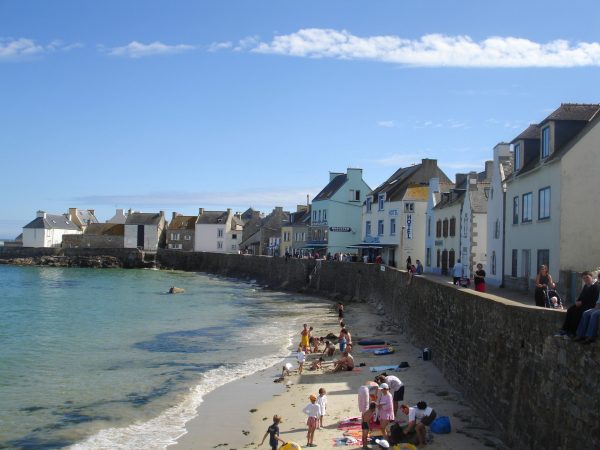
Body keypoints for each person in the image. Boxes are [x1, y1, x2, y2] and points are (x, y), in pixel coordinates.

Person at [555, 271, 599, 337]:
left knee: (577, 312)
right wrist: (577, 301)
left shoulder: (595, 287)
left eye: (587, 277)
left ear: (591, 277)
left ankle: (572, 332)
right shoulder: (586, 286)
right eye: (584, 278)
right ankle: (564, 329)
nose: (586, 279)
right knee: (570, 310)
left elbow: (593, 299)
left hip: (589, 305)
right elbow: (581, 296)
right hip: (582, 304)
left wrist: (582, 302)